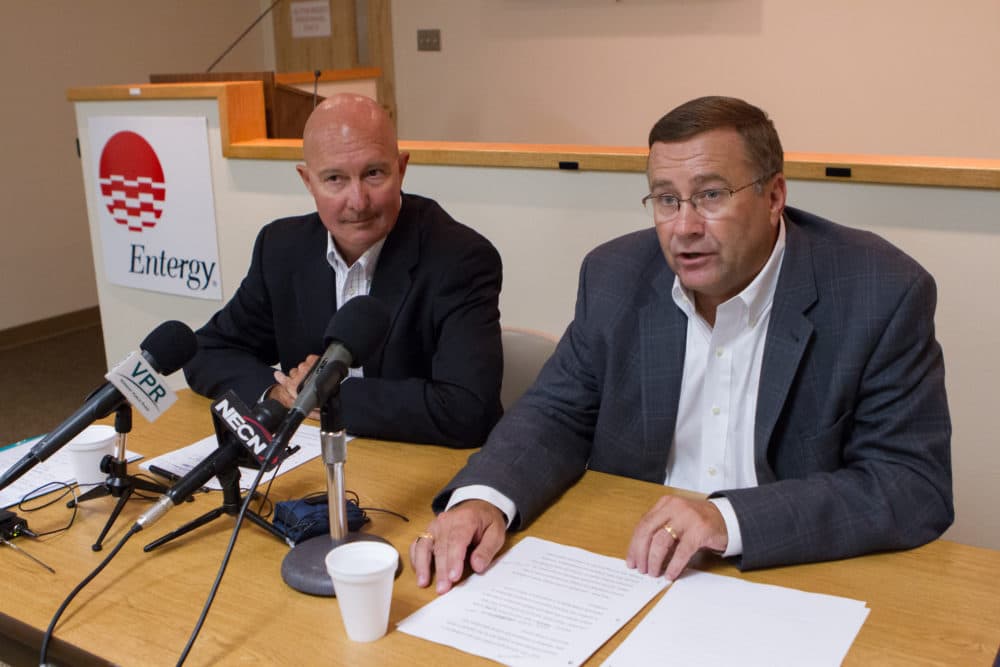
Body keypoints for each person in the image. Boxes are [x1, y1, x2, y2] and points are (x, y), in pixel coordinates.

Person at [411, 96, 953, 593]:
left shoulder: (879, 292)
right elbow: (555, 413)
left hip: (793, 577)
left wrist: (729, 519)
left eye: (710, 195)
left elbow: (910, 485)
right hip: (630, 567)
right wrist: (483, 498)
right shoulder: (615, 275)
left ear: (774, 196)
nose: (683, 227)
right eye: (667, 200)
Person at [184, 94, 503, 448]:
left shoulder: (460, 259)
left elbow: (468, 411)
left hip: (408, 465)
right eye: (335, 178)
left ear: (402, 168)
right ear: (308, 182)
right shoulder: (281, 248)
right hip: (308, 465)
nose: (358, 201)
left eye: (374, 173)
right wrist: (277, 392)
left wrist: (324, 394)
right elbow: (206, 351)